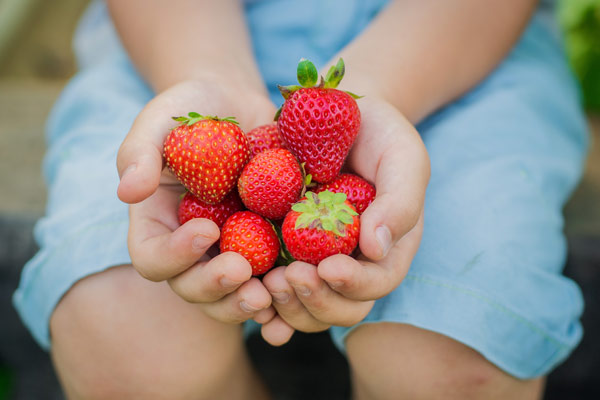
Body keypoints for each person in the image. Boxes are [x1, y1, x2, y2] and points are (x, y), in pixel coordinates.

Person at [14, 0, 588, 398]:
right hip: (173, 38)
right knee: (120, 338)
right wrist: (210, 77)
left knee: (457, 362)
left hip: (463, 48)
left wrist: (375, 94)